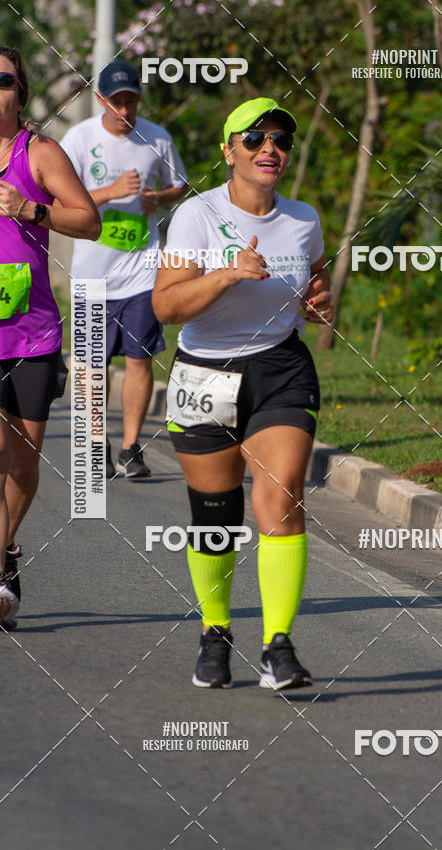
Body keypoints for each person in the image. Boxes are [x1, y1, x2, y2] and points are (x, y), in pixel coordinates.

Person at [152, 97, 333, 690]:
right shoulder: (197, 216)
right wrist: (227, 273)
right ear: (229, 150)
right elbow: (166, 306)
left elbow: (316, 280)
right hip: (205, 371)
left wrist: (318, 300)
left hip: (280, 369)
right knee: (215, 519)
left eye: (280, 139)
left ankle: (278, 645)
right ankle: (215, 631)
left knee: (280, 501)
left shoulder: (304, 218)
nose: (269, 149)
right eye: (254, 139)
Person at [0, 46, 101, 629]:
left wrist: (30, 210)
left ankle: (6, 548)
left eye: (4, 80)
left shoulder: (38, 154)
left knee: (22, 466)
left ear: (21, 92)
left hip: (31, 335)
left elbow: (88, 220)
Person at [61, 61, 187, 479]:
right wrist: (110, 192)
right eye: (117, 102)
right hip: (93, 273)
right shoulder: (79, 138)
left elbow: (180, 185)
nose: (125, 110)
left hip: (143, 270)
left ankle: (132, 448)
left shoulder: (158, 138)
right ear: (101, 100)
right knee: (94, 364)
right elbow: (61, 203)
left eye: (131, 101)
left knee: (139, 359)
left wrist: (159, 198)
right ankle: (98, 440)